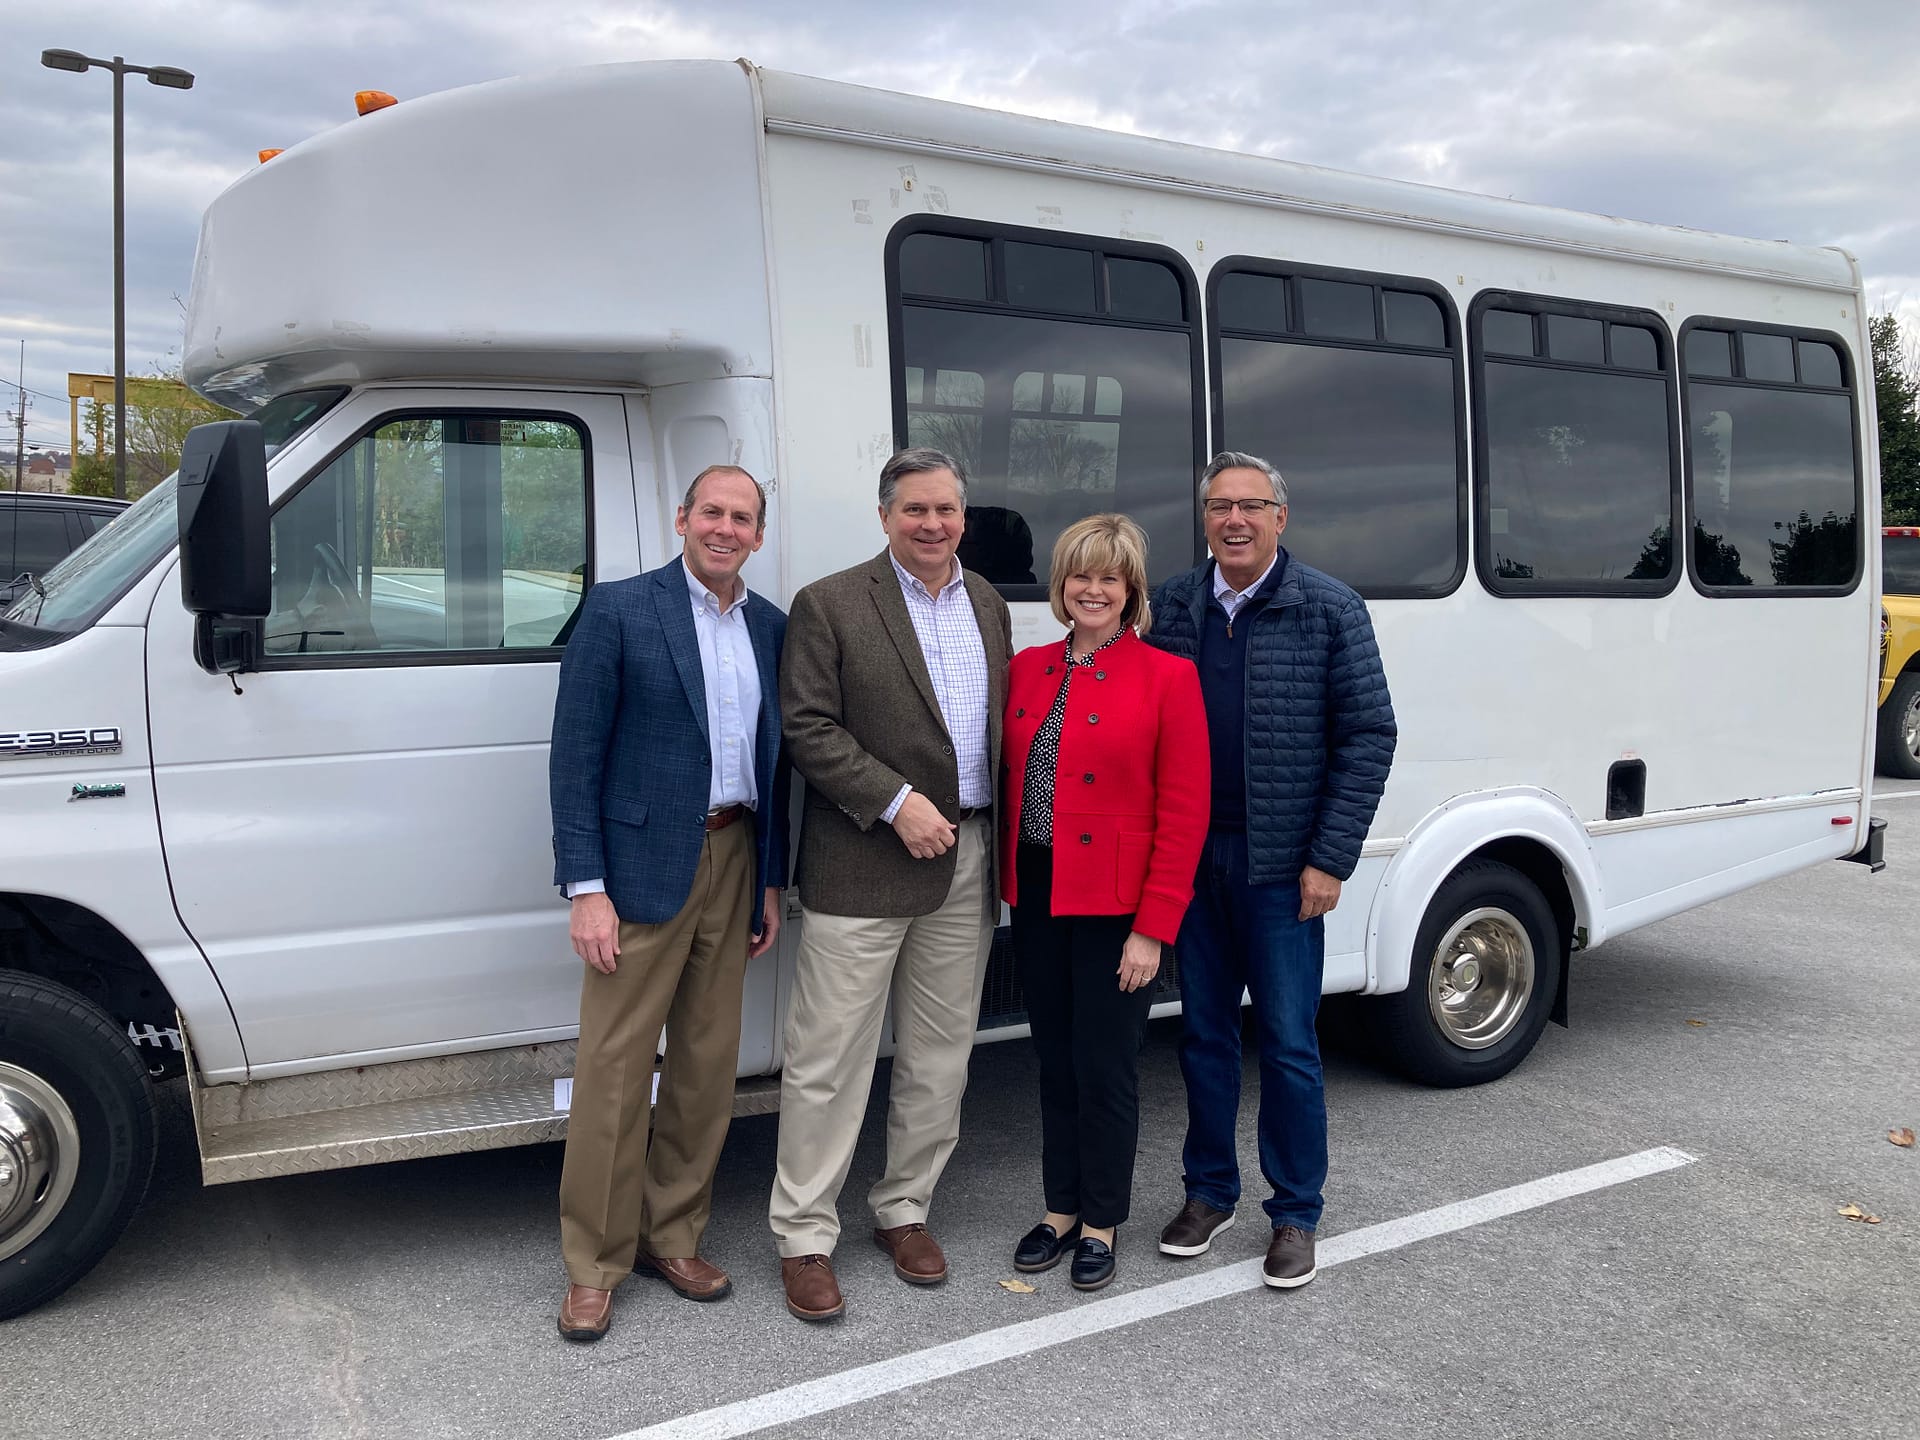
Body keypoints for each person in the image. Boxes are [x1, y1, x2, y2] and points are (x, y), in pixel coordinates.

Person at [770, 446, 1013, 1322]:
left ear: (962, 516)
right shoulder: (831, 603)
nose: (933, 524)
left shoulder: (986, 601)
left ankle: (904, 1209)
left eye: (947, 509)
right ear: (885, 517)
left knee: (940, 1057)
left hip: (969, 861)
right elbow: (807, 727)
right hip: (865, 861)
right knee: (829, 1062)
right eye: (915, 509)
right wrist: (897, 802)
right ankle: (803, 1236)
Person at [548, 464, 790, 1343]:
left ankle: (673, 1235)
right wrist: (587, 889)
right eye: (712, 513)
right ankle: (594, 1263)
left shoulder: (770, 625)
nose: (725, 529)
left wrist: (769, 875)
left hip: (735, 853)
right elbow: (574, 757)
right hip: (640, 866)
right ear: (682, 518)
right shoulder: (618, 611)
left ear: (759, 536)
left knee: (704, 1065)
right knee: (614, 1071)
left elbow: (777, 765)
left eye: (743, 518)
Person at [1146, 451, 1396, 1290]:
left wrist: (1329, 857)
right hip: (1194, 863)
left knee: (1288, 1043)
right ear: (1205, 519)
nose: (1235, 521)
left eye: (1252, 505)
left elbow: (1369, 737)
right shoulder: (1175, 606)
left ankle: (1295, 1212)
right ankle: (1209, 1192)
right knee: (1204, 1038)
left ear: (1280, 518)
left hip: (1283, 870)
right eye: (1220, 506)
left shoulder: (1328, 608)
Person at [1001, 514, 1208, 1291]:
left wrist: (1152, 930)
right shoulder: (1027, 669)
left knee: (1107, 1066)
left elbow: (1184, 813)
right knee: (1053, 1060)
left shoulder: (1167, 678)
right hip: (1039, 894)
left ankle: (1100, 1220)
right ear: (1061, 587)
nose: (1093, 589)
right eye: (1081, 576)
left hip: (1118, 908)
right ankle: (1059, 1207)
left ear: (1131, 593)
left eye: (1109, 578)